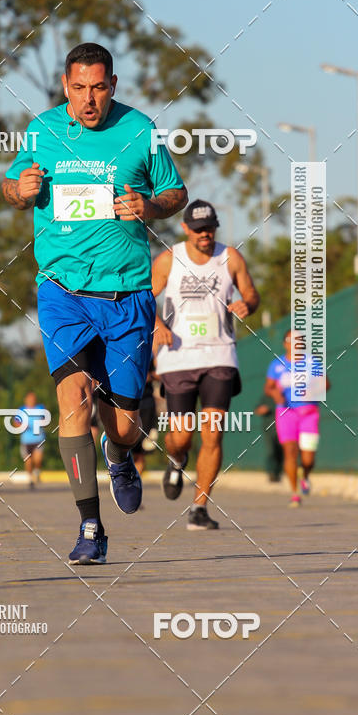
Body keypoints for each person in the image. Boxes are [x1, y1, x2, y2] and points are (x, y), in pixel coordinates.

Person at [2, 42, 188, 564]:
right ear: (65, 85)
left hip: (127, 295)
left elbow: (176, 193)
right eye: (79, 88)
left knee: (123, 424)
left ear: (113, 86)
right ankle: (90, 525)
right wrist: (21, 190)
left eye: (99, 87)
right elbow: (10, 186)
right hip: (62, 291)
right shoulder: (41, 130)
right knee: (73, 398)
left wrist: (150, 205)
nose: (89, 99)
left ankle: (120, 455)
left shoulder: (140, 131)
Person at [152, 199, 260, 530]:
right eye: (198, 229)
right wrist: (157, 325)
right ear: (185, 228)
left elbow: (251, 294)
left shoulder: (230, 258)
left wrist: (247, 304)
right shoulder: (169, 259)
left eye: (209, 228)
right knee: (182, 436)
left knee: (213, 434)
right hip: (178, 357)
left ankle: (199, 507)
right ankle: (176, 459)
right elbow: (142, 297)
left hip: (219, 355)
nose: (205, 234)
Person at [264, 330, 331, 506]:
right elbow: (269, 387)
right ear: (285, 343)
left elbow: (326, 384)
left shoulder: (312, 362)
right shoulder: (276, 365)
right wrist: (275, 394)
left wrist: (314, 391)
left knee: (308, 458)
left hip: (308, 413)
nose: (296, 343)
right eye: (291, 339)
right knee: (290, 451)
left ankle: (305, 475)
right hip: (285, 412)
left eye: (299, 339)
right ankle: (294, 493)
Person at [14, 391, 47, 487]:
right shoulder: (21, 410)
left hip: (39, 439)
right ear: (26, 400)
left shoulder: (40, 408)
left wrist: (42, 422)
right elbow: (16, 423)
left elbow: (46, 420)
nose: (31, 400)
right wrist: (22, 425)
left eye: (33, 399)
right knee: (28, 461)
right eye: (29, 399)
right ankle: (30, 478)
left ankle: (37, 471)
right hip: (26, 440)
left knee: (38, 459)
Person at [254, 394, 283, 482]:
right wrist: (261, 410)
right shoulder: (266, 397)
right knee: (271, 450)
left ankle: (279, 473)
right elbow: (257, 410)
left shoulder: (285, 395)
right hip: (269, 428)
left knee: (281, 451)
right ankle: (271, 472)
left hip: (283, 428)